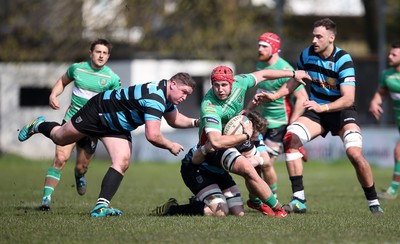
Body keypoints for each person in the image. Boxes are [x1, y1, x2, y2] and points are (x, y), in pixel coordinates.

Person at [18, 72, 199, 217]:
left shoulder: (164, 95)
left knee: (122, 160)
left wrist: (198, 122)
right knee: (60, 137)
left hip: (117, 125)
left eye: (188, 95)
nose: (184, 97)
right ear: (172, 84)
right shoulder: (155, 97)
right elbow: (152, 135)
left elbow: (175, 120)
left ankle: (100, 207)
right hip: (98, 112)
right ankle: (38, 125)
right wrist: (170, 145)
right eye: (183, 92)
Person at [253, 18, 383, 214]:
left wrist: (323, 108)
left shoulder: (343, 59)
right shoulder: (307, 55)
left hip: (341, 112)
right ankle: (299, 200)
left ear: (331, 38)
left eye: (319, 36)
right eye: (313, 35)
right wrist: (275, 95)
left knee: (354, 154)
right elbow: (296, 81)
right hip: (317, 111)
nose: (314, 40)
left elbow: (348, 99)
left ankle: (374, 203)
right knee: (291, 138)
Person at [184, 65, 310, 218]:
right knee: (245, 171)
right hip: (211, 150)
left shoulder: (241, 82)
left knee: (239, 212)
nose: (220, 89)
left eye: (224, 85)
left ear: (232, 83)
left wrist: (293, 73)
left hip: (234, 139)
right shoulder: (209, 106)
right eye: (216, 85)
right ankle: (278, 208)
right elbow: (216, 142)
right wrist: (245, 136)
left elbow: (263, 74)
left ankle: (255, 200)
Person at [39, 38, 121, 211]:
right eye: (98, 52)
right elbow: (62, 81)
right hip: (70, 121)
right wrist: (53, 95)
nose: (101, 55)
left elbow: (116, 102)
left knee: (82, 165)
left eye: (105, 53)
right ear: (91, 53)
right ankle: (46, 199)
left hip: (92, 127)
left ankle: (79, 175)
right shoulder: (77, 68)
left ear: (108, 56)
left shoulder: (112, 78)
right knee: (60, 159)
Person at [152, 111, 269, 217]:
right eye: (253, 136)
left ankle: (198, 201)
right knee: (220, 212)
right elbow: (195, 160)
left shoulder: (249, 140)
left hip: (219, 173)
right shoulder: (223, 136)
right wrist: (206, 149)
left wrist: (257, 160)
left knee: (239, 213)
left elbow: (265, 159)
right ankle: (172, 209)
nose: (254, 140)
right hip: (197, 169)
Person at [244, 32, 309, 214]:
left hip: (279, 125)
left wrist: (292, 125)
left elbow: (302, 98)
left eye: (264, 46)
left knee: (265, 164)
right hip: (261, 124)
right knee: (253, 162)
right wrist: (248, 111)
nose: (260, 49)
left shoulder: (285, 68)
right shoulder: (261, 65)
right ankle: (258, 199)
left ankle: (270, 200)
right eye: (259, 45)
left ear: (274, 48)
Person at [369, 42, 400, 200]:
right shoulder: (387, 75)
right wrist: (375, 102)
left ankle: (393, 191)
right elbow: (381, 93)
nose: (389, 56)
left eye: (394, 54)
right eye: (390, 53)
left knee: (398, 151)